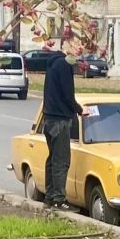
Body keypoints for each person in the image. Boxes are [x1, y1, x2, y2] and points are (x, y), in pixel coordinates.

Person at [41, 51, 89, 210]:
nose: (79, 51)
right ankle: (59, 201)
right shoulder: (64, 64)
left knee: (53, 159)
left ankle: (49, 196)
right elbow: (67, 94)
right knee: (61, 161)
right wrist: (80, 109)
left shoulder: (53, 63)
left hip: (48, 119)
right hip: (60, 119)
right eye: (77, 47)